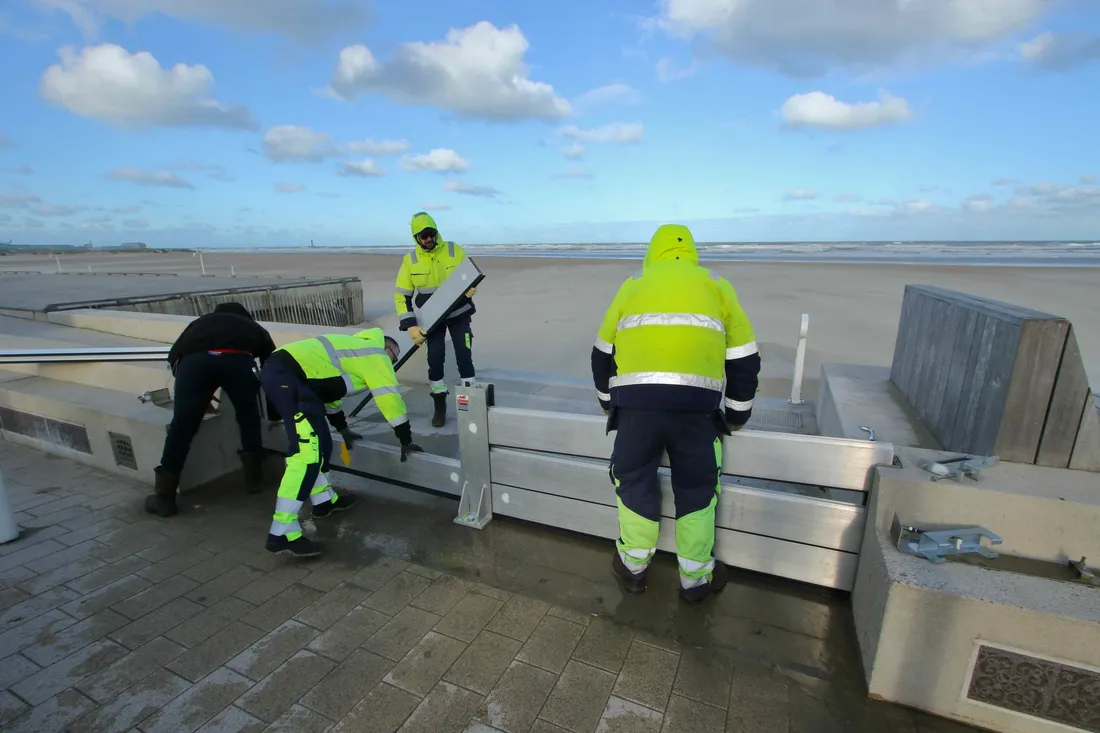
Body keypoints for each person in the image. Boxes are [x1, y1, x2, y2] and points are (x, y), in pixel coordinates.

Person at [590, 224, 761, 603]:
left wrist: (608, 403)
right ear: (691, 252)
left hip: (636, 410)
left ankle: (633, 570)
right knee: (697, 489)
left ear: (653, 252)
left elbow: (602, 353)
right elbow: (744, 357)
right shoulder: (717, 285)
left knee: (633, 480)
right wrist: (737, 414)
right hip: (697, 410)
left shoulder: (633, 284)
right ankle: (695, 581)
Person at [259, 327, 423, 557]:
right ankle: (282, 532)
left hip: (292, 379)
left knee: (322, 444)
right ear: (387, 348)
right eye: (393, 357)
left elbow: (330, 392)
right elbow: (389, 398)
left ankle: (324, 502)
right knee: (306, 456)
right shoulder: (375, 353)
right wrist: (405, 439)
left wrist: (342, 428)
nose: (391, 363)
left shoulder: (351, 350)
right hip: (288, 378)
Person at [145, 302, 276, 518]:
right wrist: (273, 411)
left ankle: (165, 499)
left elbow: (175, 356)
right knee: (248, 418)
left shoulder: (200, 323)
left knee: (182, 428)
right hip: (238, 361)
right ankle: (255, 480)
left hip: (194, 364)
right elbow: (271, 364)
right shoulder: (252, 327)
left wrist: (197, 396)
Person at [394, 211, 478, 428]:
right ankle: (439, 406)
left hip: (459, 314)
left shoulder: (453, 249)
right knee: (435, 360)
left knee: (464, 357)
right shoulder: (410, 260)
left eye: (431, 234)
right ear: (416, 238)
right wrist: (411, 325)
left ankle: (471, 407)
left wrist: (470, 287)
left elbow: (468, 274)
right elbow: (402, 296)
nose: (429, 239)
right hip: (431, 320)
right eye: (424, 236)